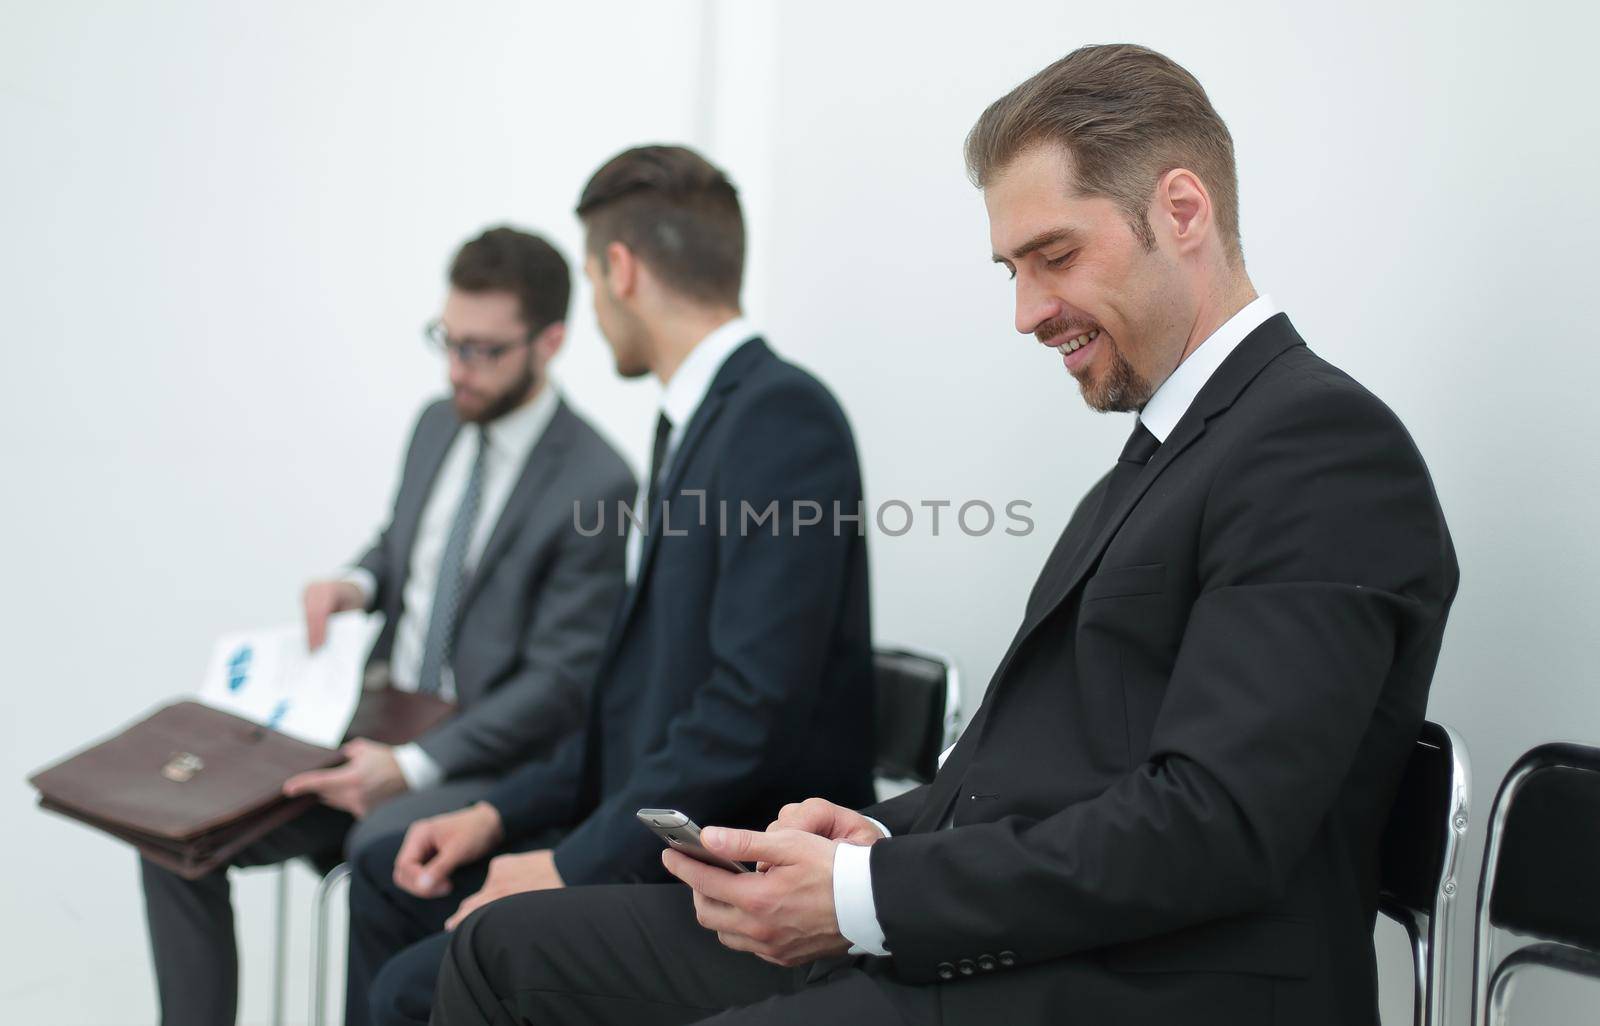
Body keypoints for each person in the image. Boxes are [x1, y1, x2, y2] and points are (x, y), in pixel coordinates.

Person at [427, 44, 1460, 1026]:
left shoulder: (1321, 449)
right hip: (1031, 937)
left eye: (1052, 256)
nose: (1025, 311)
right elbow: (1052, 768)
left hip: (1156, 987)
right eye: (1010, 267)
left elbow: (1213, 825)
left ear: (1181, 210)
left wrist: (869, 891)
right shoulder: (1173, 450)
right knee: (501, 952)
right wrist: (876, 834)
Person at [347, 145, 877, 1026]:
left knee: (418, 986)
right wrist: (492, 813)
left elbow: (748, 711)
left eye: (592, 284)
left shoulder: (781, 418)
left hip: (726, 871)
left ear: (620, 271)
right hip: (652, 823)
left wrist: (566, 865)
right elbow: (629, 706)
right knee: (385, 868)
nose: (594, 311)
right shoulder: (698, 424)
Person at [138, 226, 635, 1026]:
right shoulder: (436, 422)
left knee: (382, 851)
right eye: (447, 341)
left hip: (479, 757)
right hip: (371, 721)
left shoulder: (598, 480)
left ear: (550, 342)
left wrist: (412, 766)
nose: (457, 369)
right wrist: (358, 581)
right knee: (173, 833)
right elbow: (404, 545)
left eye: (483, 350)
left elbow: (561, 685)